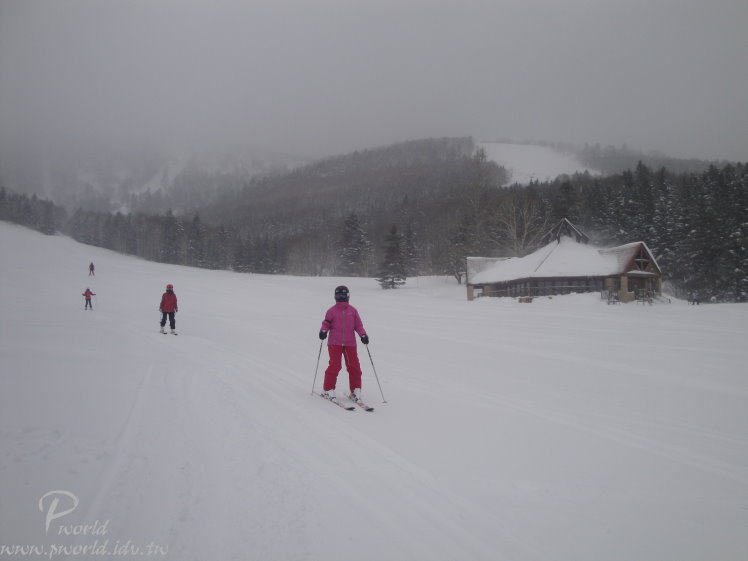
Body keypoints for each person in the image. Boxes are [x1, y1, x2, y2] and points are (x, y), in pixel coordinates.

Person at [319, 285, 369, 402]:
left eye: (343, 295)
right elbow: (326, 324)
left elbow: (358, 326)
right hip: (334, 343)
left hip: (350, 343)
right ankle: (328, 389)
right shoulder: (331, 311)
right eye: (339, 295)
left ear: (348, 296)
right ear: (335, 296)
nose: (341, 298)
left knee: (354, 366)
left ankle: (356, 389)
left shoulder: (353, 311)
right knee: (335, 365)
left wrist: (363, 335)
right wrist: (323, 331)